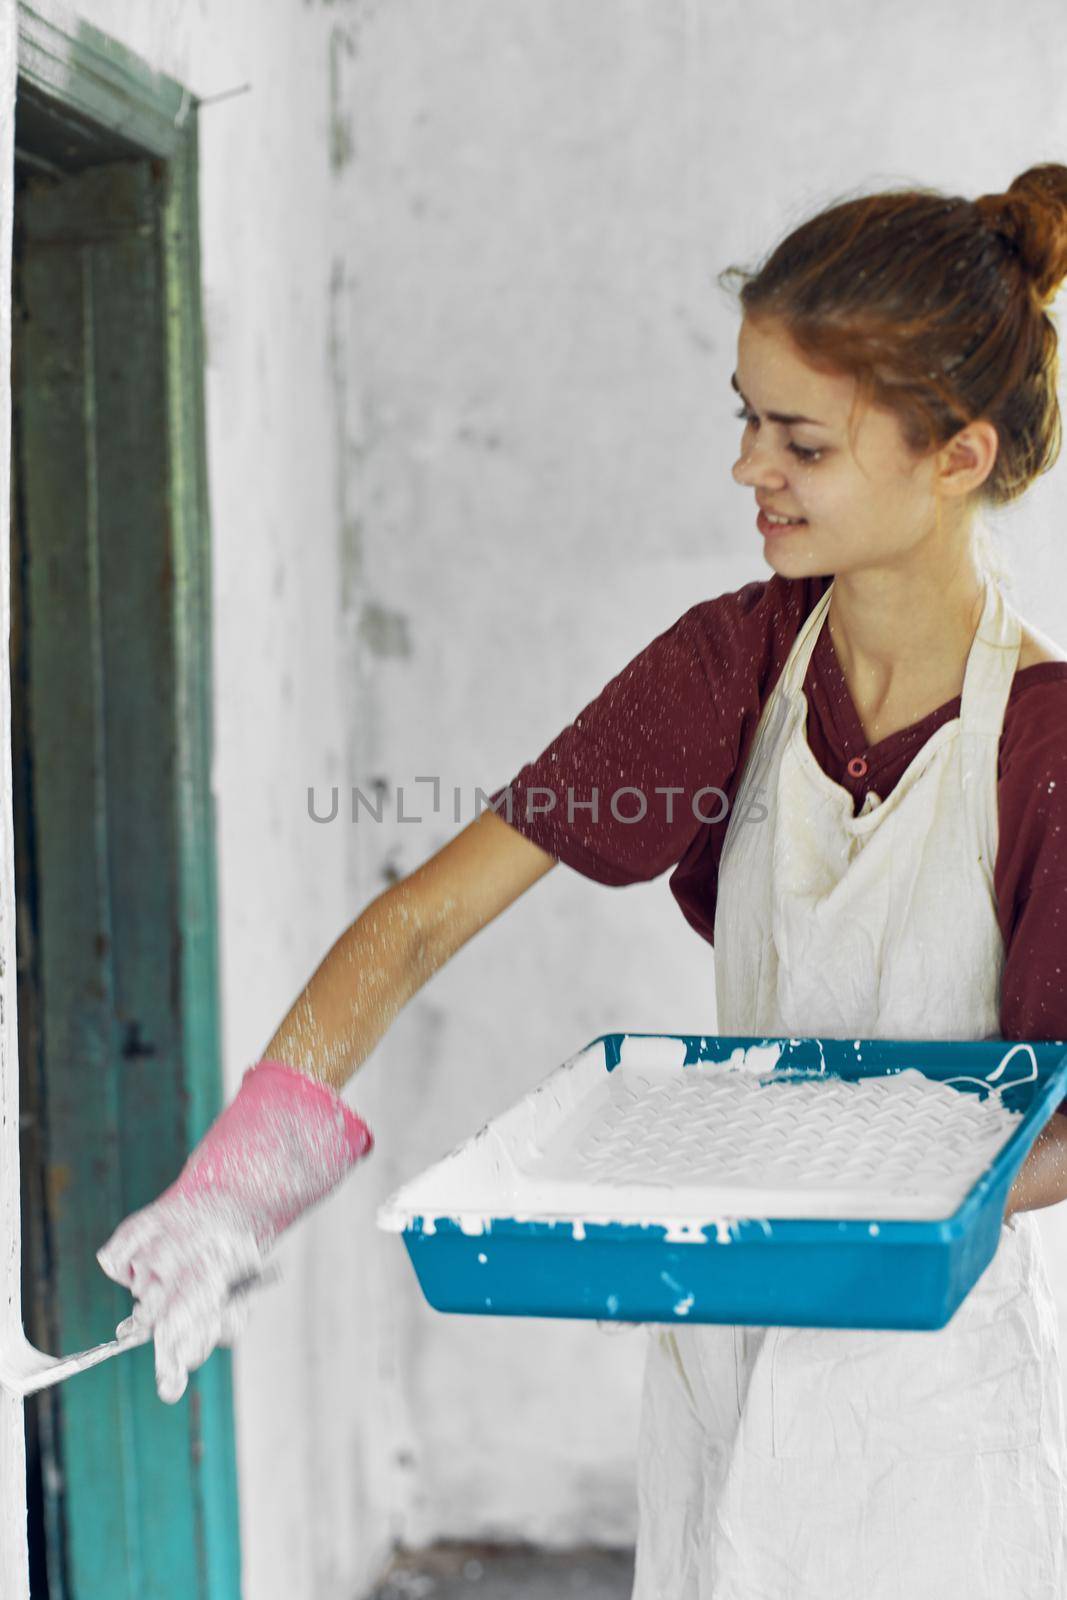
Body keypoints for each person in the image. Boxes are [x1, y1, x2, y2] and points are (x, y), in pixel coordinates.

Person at [98, 164, 1067, 1597]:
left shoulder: (1044, 744)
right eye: (745, 419)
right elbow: (429, 912)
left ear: (959, 458)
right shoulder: (732, 666)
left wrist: (871, 1224)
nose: (750, 469)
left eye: (799, 440)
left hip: (940, 1385)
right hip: (722, 1356)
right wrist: (240, 1184)